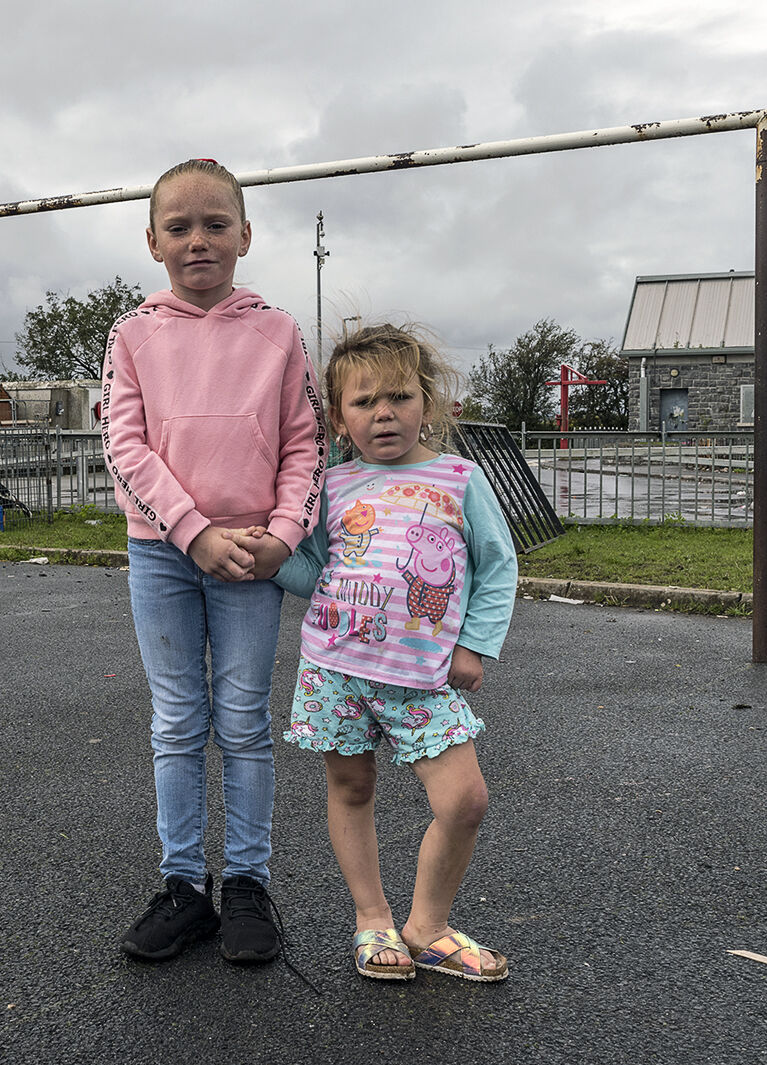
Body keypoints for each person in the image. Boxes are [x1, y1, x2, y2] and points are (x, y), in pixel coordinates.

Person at [102, 158, 327, 964]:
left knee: (242, 722)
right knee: (176, 721)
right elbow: (122, 444)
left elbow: (306, 442)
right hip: (162, 551)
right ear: (153, 240)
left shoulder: (280, 332)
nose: (198, 239)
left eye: (215, 223)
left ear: (245, 233)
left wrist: (284, 534)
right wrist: (191, 528)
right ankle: (183, 887)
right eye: (179, 226)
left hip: (252, 558)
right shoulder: (132, 335)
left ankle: (246, 886)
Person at [264, 322, 519, 982]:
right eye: (364, 400)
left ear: (426, 405)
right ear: (340, 418)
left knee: (464, 800)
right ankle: (372, 919)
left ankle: (427, 926)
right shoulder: (329, 486)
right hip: (335, 669)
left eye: (400, 396)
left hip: (423, 677)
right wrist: (266, 559)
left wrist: (474, 645)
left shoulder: (460, 479)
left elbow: (498, 566)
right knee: (351, 787)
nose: (384, 412)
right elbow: (311, 566)